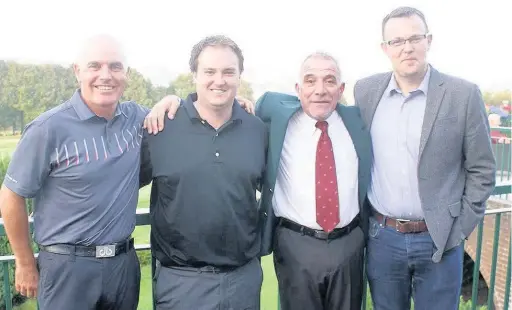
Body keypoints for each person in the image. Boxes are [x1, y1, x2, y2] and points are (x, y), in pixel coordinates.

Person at [145, 51, 372, 310]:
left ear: (341, 88)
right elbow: (217, 99)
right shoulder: (273, 113)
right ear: (297, 88)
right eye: (310, 81)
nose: (319, 90)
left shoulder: (356, 119)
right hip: (295, 244)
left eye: (329, 81)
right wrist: (171, 98)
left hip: (348, 243)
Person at [353, 7, 496, 310]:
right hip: (383, 238)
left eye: (414, 38)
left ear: (428, 40)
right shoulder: (365, 91)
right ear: (385, 48)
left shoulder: (463, 94)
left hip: (440, 240)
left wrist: (458, 229)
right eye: (397, 41)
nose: (407, 47)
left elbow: (482, 170)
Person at [0, 34, 152, 310]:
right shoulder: (48, 128)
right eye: (95, 66)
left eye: (115, 67)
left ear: (126, 74)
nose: (105, 75)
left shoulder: (137, 118)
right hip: (66, 269)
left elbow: (185, 113)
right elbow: (11, 195)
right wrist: (23, 262)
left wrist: (232, 105)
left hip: (123, 266)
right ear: (77, 71)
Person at [141, 35, 267, 310]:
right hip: (181, 283)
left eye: (228, 72)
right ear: (194, 75)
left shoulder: (257, 129)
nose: (218, 80)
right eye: (209, 71)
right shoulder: (161, 127)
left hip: (243, 280)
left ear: (239, 76)